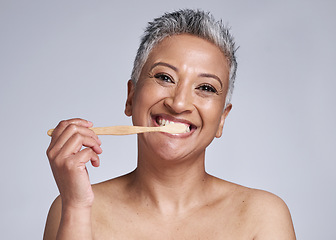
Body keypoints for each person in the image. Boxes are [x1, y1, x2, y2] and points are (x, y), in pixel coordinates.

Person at [43, 9, 296, 239]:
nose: (179, 104)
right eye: (165, 77)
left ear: (222, 119)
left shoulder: (262, 217)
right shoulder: (73, 207)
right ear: (131, 97)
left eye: (206, 87)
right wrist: (76, 207)